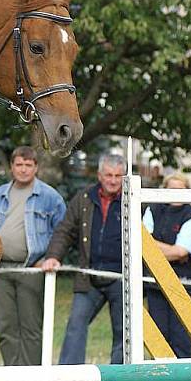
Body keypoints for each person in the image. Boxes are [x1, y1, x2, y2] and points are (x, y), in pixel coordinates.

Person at [0, 146, 66, 365]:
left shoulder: (50, 197)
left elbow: (63, 234)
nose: (24, 170)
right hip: (1, 270)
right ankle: (11, 373)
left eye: (28, 165)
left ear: (36, 167)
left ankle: (31, 375)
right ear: (11, 167)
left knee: (31, 325)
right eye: (19, 164)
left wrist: (50, 258)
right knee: (6, 325)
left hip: (32, 269)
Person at [42, 153, 126, 364]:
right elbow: (65, 230)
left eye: (118, 176)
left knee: (123, 330)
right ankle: (69, 377)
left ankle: (121, 380)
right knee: (76, 324)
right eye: (109, 175)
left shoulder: (133, 201)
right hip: (89, 275)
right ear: (99, 175)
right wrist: (53, 256)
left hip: (122, 278)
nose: (113, 180)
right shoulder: (84, 198)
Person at [143, 173, 191, 358]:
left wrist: (152, 246)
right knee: (159, 332)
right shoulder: (153, 210)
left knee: (181, 334)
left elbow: (181, 252)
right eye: (172, 189)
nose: (176, 194)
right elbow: (141, 242)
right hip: (155, 283)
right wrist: (166, 249)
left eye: (181, 189)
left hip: (184, 285)